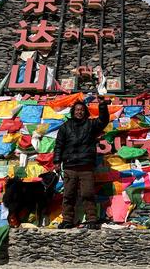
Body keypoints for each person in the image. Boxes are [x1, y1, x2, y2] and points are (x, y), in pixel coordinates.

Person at [53, 96, 110, 229]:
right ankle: (67, 220)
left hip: (86, 166)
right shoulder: (65, 127)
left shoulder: (91, 125)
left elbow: (103, 120)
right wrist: (56, 161)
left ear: (85, 112)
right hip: (69, 166)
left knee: (88, 193)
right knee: (68, 195)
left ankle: (92, 220)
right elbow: (59, 145)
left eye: (82, 110)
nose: (79, 112)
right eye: (77, 110)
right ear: (73, 112)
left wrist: (102, 105)